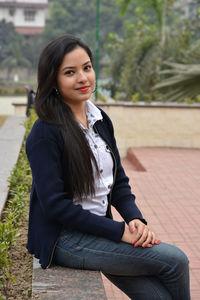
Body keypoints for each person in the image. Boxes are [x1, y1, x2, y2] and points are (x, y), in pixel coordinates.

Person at [26, 35, 190, 300]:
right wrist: (119, 232)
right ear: (52, 80)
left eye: (87, 67)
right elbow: (55, 206)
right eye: (70, 72)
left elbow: (118, 183)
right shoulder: (45, 133)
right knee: (175, 261)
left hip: (101, 229)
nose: (82, 78)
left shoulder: (100, 119)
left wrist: (134, 219)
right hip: (67, 239)